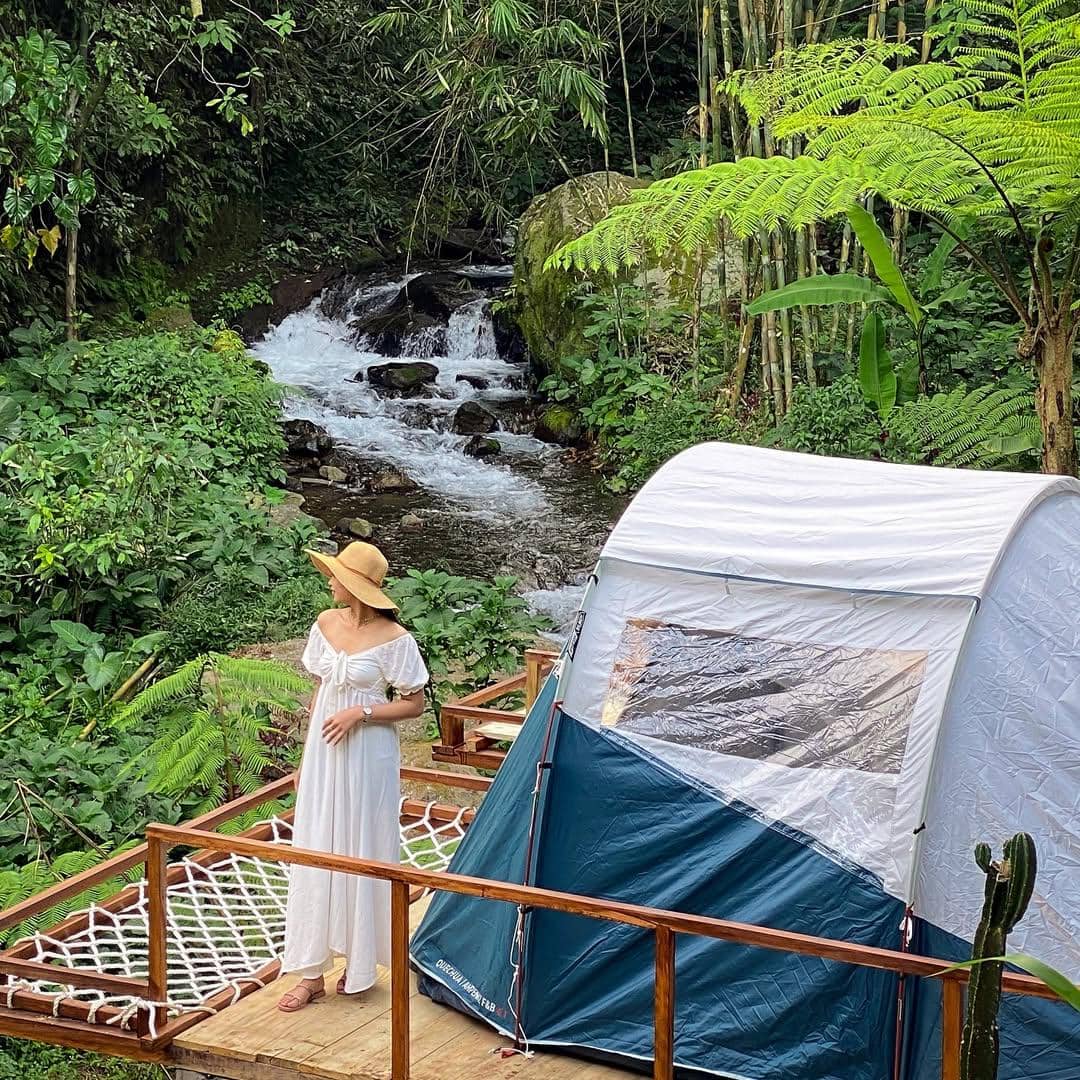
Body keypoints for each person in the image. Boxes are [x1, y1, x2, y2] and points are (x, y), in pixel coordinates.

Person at [277, 541, 428, 1012]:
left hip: (367, 752)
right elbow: (321, 691)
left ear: (357, 587)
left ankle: (358, 963)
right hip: (326, 750)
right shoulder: (325, 623)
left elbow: (414, 701)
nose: (329, 582)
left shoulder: (394, 638)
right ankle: (309, 972)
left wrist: (361, 713)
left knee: (361, 844)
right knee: (317, 845)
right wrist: (306, 758)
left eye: (335, 575)